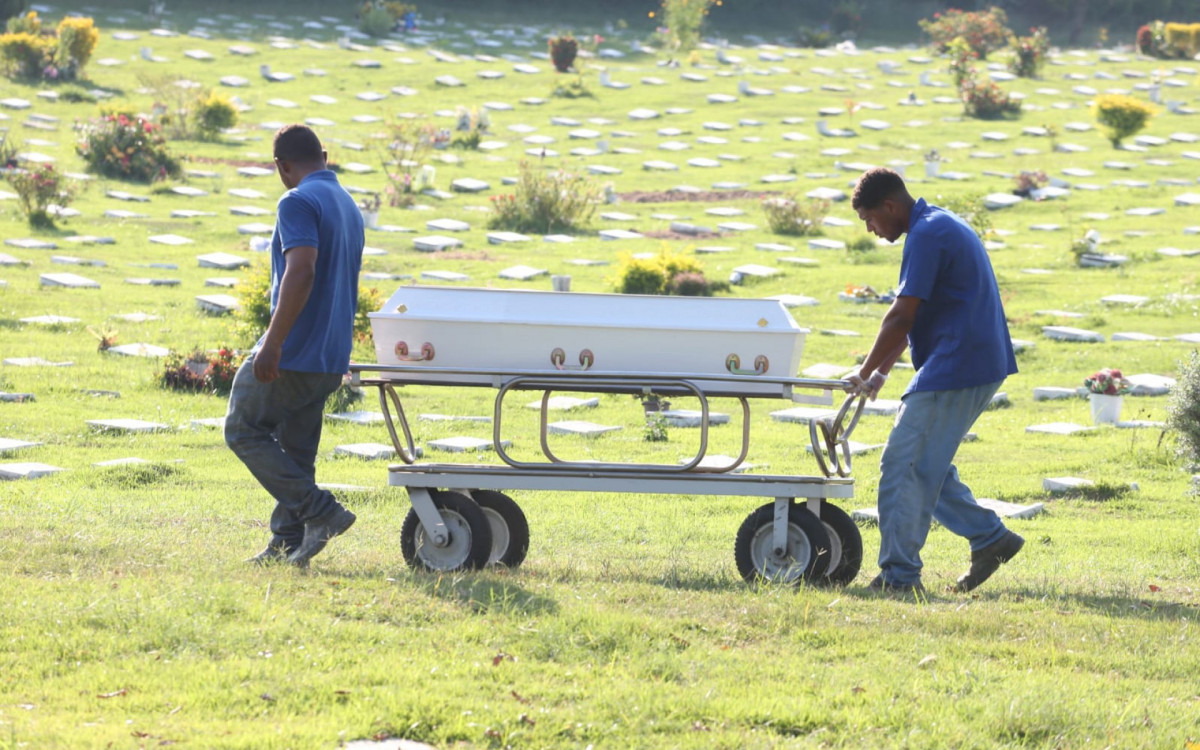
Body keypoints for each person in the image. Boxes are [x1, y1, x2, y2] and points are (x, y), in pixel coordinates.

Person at [848, 167, 1022, 595]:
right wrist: (883, 372)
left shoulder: (927, 234)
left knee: (903, 463)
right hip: (969, 361)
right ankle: (990, 538)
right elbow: (916, 314)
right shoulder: (936, 223)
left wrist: (864, 371)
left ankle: (899, 577)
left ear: (889, 206)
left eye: (869, 219)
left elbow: (901, 315)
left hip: (958, 363)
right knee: (926, 463)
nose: (871, 230)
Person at [225, 124, 364, 568]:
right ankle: (285, 543)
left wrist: (273, 343)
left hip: (296, 350)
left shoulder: (297, 201)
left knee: (242, 428)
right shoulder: (348, 204)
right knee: (297, 450)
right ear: (324, 155)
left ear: (281, 167)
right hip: (329, 356)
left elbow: (301, 271)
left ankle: (322, 512)